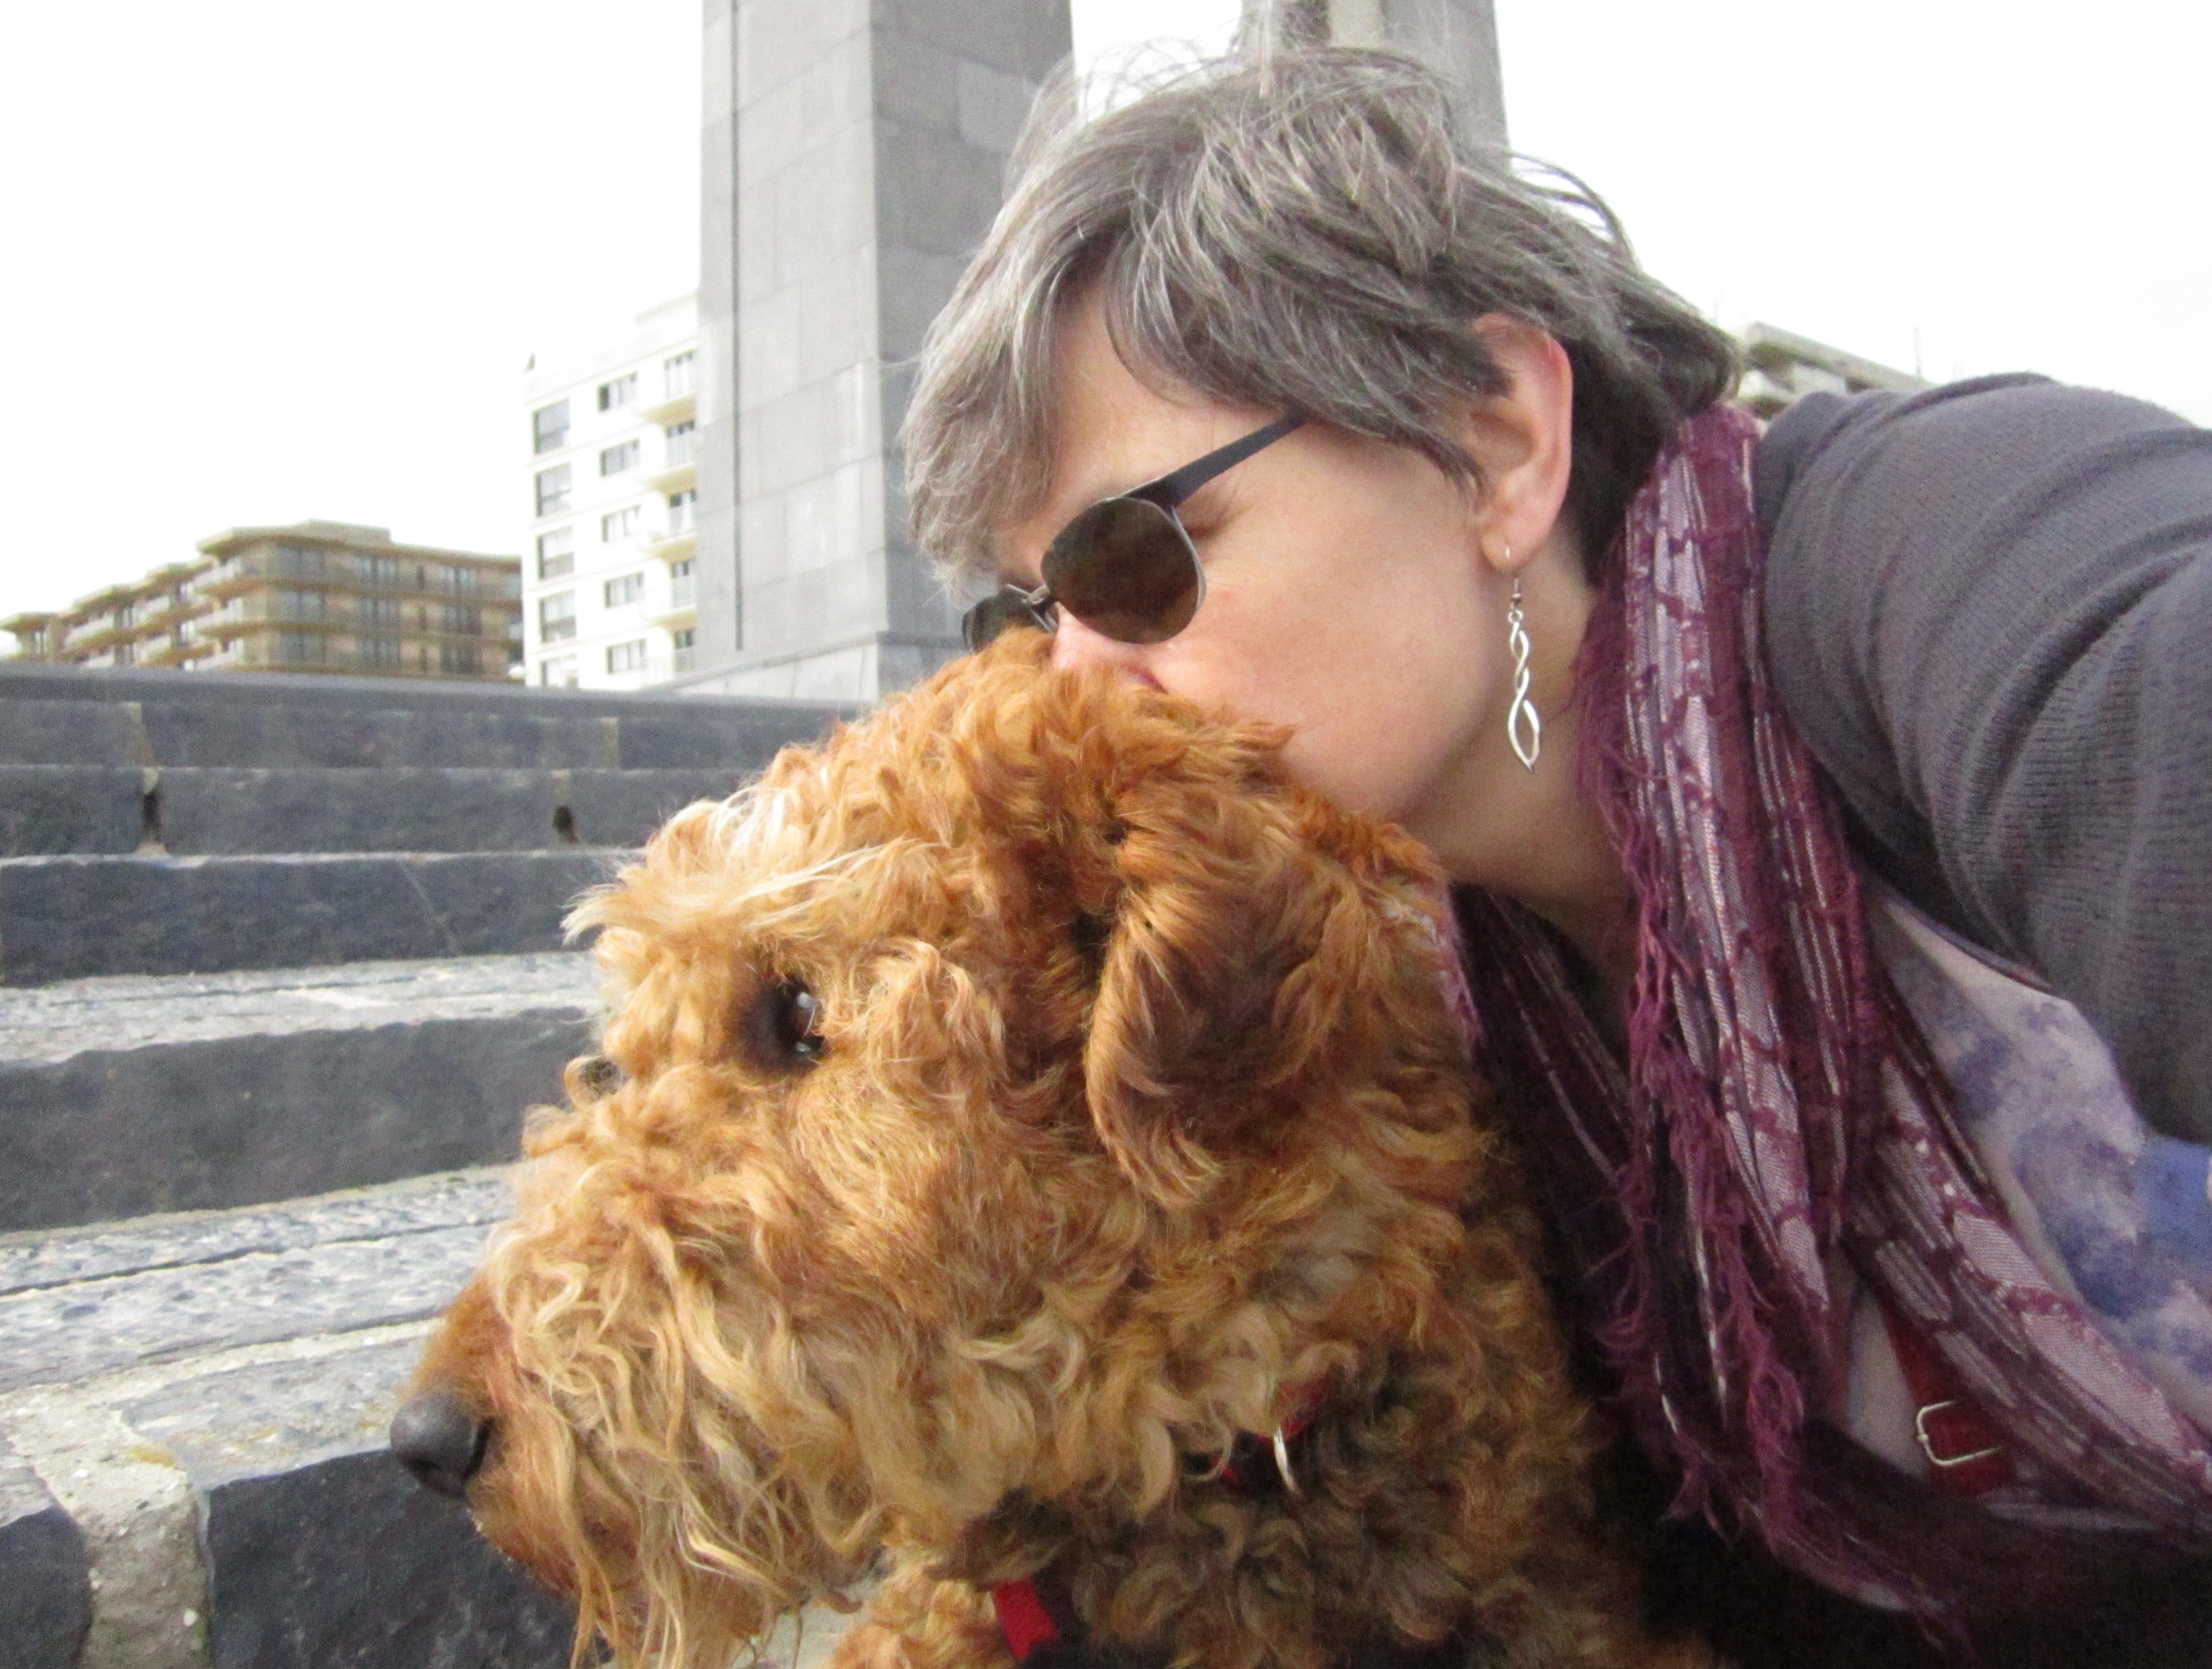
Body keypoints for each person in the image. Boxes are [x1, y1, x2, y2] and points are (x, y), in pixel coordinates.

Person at [899, 38, 2212, 1669]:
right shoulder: (1403, 1023)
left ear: (1498, 441)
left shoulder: (1929, 564)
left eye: (1133, 557)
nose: (1078, 685)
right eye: (1031, 615)